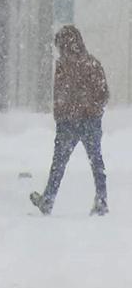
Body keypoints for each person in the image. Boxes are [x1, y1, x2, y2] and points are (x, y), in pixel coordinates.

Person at [30, 25, 109, 216]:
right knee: (96, 161)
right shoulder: (92, 64)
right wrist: (93, 110)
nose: (60, 51)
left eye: (60, 46)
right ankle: (101, 200)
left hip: (70, 122)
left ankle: (48, 199)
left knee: (59, 164)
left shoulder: (65, 67)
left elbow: (61, 95)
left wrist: (65, 113)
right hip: (86, 120)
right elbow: (103, 93)